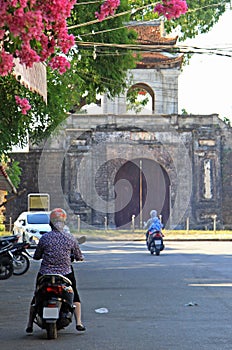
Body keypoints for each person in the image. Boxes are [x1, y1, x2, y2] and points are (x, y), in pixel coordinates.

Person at [26, 208, 86, 334]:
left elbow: (37, 256)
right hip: (65, 273)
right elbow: (79, 256)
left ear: (50, 223)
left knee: (36, 296)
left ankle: (30, 323)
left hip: (45, 274)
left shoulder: (44, 238)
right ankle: (79, 322)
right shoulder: (70, 238)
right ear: (64, 222)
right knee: (74, 295)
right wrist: (77, 258)